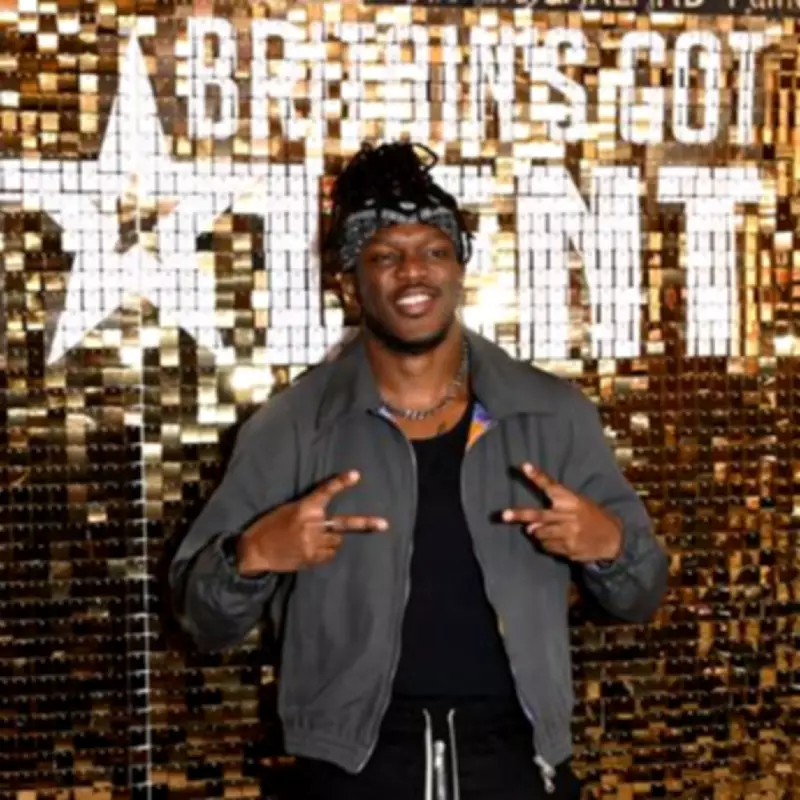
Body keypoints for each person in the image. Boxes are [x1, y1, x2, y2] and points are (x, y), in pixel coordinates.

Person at [169, 141, 669, 800]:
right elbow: (201, 620)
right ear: (349, 283)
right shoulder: (293, 426)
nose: (413, 271)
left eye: (434, 251)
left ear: (460, 270)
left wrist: (609, 548)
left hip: (518, 763)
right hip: (351, 771)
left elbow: (643, 595)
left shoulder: (553, 415)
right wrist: (252, 555)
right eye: (385, 256)